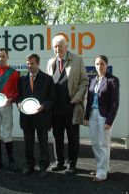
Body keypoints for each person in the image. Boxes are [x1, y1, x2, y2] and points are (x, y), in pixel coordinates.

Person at [46, 35, 89, 175]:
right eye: (55, 46)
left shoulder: (77, 60)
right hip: (55, 108)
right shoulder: (50, 62)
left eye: (60, 45)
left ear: (66, 46)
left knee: (72, 138)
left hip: (71, 107)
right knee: (57, 137)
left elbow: (84, 82)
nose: (57, 48)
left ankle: (72, 164)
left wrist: (77, 98)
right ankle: (59, 162)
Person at [17, 54, 55, 178]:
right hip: (26, 117)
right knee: (28, 143)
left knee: (43, 143)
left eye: (32, 63)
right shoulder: (22, 79)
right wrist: (18, 104)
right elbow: (19, 97)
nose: (29, 66)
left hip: (42, 116)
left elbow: (52, 98)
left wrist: (43, 106)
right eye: (28, 63)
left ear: (38, 63)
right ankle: (29, 165)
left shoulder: (48, 79)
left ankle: (43, 167)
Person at [84, 55, 119, 182]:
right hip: (92, 114)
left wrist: (110, 121)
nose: (99, 66)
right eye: (97, 64)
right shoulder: (92, 80)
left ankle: (102, 173)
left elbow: (115, 103)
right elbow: (88, 100)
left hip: (104, 115)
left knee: (104, 144)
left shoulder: (113, 80)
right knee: (94, 143)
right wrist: (86, 116)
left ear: (107, 65)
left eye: (102, 64)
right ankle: (102, 167)